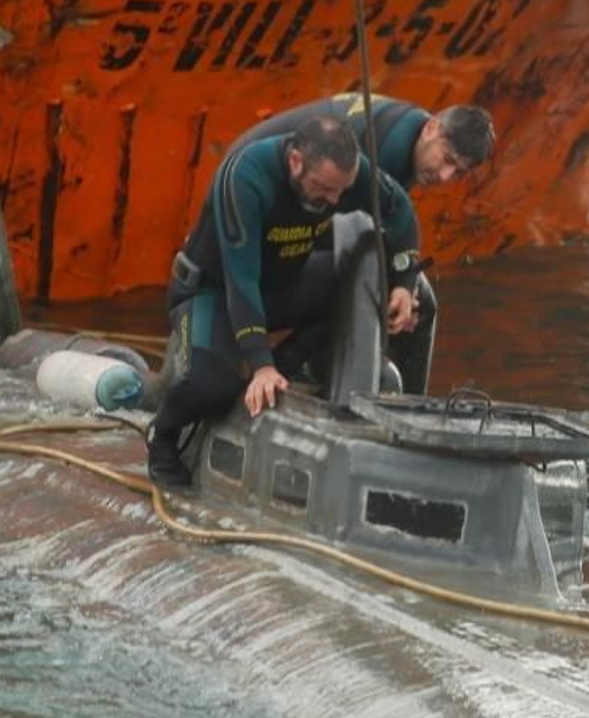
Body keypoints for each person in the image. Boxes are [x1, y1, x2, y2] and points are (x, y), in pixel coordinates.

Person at [146, 114, 421, 489]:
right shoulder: (245, 176)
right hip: (215, 291)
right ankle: (161, 435)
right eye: (323, 189)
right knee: (212, 384)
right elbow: (240, 277)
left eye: (341, 191)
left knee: (359, 288)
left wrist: (403, 285)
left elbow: (400, 211)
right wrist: (259, 364)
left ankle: (287, 369)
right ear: (295, 161)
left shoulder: (343, 178)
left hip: (281, 284)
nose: (334, 201)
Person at [225, 94, 495, 393]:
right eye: (447, 160)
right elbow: (355, 240)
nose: (445, 176)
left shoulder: (412, 137)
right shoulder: (387, 149)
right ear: (431, 128)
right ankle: (281, 366)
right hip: (256, 200)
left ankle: (297, 364)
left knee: (413, 295)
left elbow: (393, 221)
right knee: (366, 280)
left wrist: (404, 286)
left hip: (305, 205)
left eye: (458, 172)